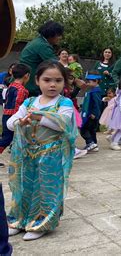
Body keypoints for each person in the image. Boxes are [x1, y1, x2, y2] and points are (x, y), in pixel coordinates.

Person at [7, 60, 77, 241]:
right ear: (37, 80)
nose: (53, 84)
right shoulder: (29, 101)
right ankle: (19, 221)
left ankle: (42, 223)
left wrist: (39, 116)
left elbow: (61, 124)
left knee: (47, 190)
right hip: (27, 154)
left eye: (58, 80)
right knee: (24, 188)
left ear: (64, 82)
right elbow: (9, 123)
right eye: (47, 80)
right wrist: (19, 123)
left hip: (51, 154)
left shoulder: (65, 102)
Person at [19, 21, 64, 96]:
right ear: (51, 34)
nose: (60, 38)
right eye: (59, 35)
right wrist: (75, 79)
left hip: (24, 83)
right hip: (31, 86)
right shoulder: (43, 46)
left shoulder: (36, 41)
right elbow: (57, 65)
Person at [0, 64, 30, 155]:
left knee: (7, 138)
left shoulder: (11, 85)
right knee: (6, 140)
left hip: (6, 115)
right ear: (26, 75)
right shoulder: (21, 90)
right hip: (14, 117)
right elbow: (18, 105)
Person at [63, 69, 87, 160]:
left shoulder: (66, 87)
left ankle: (73, 149)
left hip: (70, 109)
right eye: (70, 77)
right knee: (69, 131)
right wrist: (78, 88)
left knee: (72, 130)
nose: (72, 80)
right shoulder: (62, 88)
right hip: (65, 110)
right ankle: (72, 151)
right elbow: (70, 96)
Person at [80, 72, 103, 152]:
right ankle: (94, 144)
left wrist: (94, 113)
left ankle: (90, 143)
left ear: (96, 81)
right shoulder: (93, 90)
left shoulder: (95, 92)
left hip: (91, 115)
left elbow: (97, 103)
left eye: (89, 81)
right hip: (90, 114)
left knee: (84, 129)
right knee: (92, 130)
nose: (88, 83)